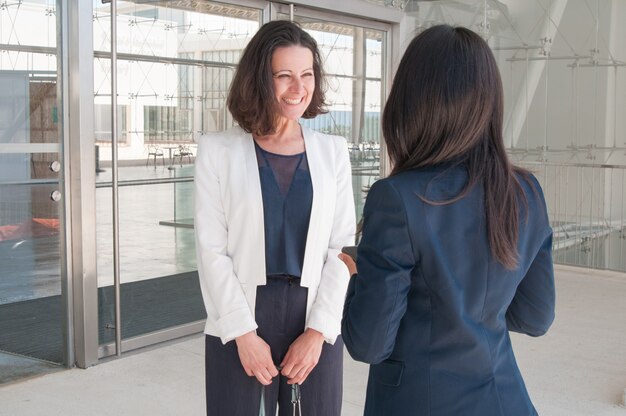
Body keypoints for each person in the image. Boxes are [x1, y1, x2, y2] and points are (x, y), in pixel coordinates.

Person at [339, 25, 555, 416]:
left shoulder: (398, 198)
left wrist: (357, 277)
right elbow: (534, 317)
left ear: (411, 101)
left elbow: (368, 343)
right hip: (506, 400)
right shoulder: (526, 191)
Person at [194, 20, 355, 416]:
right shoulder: (217, 151)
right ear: (259, 81)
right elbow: (211, 251)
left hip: (314, 315)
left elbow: (345, 248)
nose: (299, 88)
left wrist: (318, 332)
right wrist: (243, 334)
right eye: (284, 76)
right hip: (240, 316)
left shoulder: (333, 152)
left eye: (307, 75)